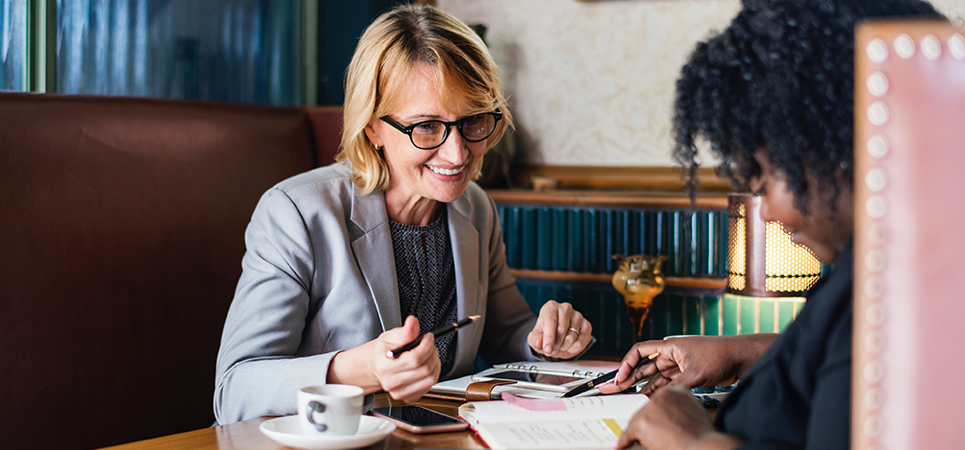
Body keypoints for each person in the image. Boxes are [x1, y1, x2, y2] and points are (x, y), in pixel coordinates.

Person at [213, 4, 593, 425]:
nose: (457, 153)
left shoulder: (475, 208)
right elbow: (235, 391)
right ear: (372, 126)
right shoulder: (297, 213)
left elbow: (507, 332)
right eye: (427, 126)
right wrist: (360, 371)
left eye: (473, 121)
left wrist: (546, 338)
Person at [598, 0, 944, 449]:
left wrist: (689, 439)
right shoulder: (876, 264)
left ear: (839, 146)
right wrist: (740, 351)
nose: (767, 211)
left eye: (764, 178)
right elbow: (842, 361)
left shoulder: (899, 293)